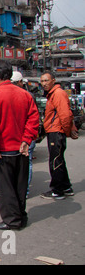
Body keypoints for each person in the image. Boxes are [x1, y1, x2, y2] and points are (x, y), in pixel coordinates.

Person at [0, 61, 39, 230]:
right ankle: (21, 216)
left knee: (6, 188)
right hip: (22, 149)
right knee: (20, 186)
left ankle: (11, 221)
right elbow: (34, 119)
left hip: (4, 151)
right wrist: (26, 139)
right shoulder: (24, 95)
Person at [40, 71, 78, 200]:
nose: (44, 84)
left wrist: (67, 131)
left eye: (46, 80)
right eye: (42, 81)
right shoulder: (53, 94)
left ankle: (57, 190)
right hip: (55, 130)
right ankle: (66, 187)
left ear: (53, 81)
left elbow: (66, 115)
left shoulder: (58, 94)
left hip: (56, 131)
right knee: (59, 160)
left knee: (55, 161)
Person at [11, 71, 38, 198]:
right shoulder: (27, 95)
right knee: (25, 163)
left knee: (21, 164)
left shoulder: (26, 96)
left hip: (22, 135)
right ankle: (23, 190)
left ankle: (21, 190)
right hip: (25, 135)